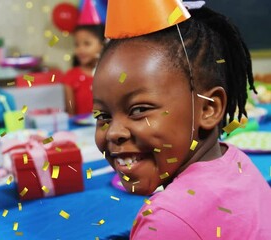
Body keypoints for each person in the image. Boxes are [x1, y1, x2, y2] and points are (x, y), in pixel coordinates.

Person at [93, 3, 271, 239]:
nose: (113, 132)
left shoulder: (167, 222)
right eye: (103, 116)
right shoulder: (238, 163)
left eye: (139, 109)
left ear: (208, 108)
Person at [62, 24, 105, 115]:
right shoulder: (70, 76)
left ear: (102, 45)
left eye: (87, 44)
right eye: (77, 45)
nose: (80, 49)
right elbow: (71, 114)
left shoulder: (109, 74)